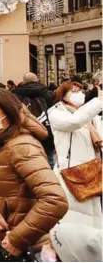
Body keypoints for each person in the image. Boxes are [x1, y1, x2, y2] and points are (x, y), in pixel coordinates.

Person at [0, 88, 68, 256]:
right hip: (4, 243)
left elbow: (55, 200)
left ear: (9, 115)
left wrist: (18, 238)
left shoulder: (22, 147)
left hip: (27, 247)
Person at [48, 81, 102, 229]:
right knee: (74, 215)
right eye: (73, 91)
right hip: (71, 171)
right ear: (63, 95)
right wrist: (99, 100)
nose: (79, 94)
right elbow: (74, 122)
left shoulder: (89, 114)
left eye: (80, 91)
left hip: (91, 171)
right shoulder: (56, 112)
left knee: (92, 215)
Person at [12, 72, 57, 167]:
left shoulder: (15, 95)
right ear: (37, 80)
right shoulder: (48, 94)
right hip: (46, 132)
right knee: (49, 159)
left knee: (25, 161)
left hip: (25, 133)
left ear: (23, 81)